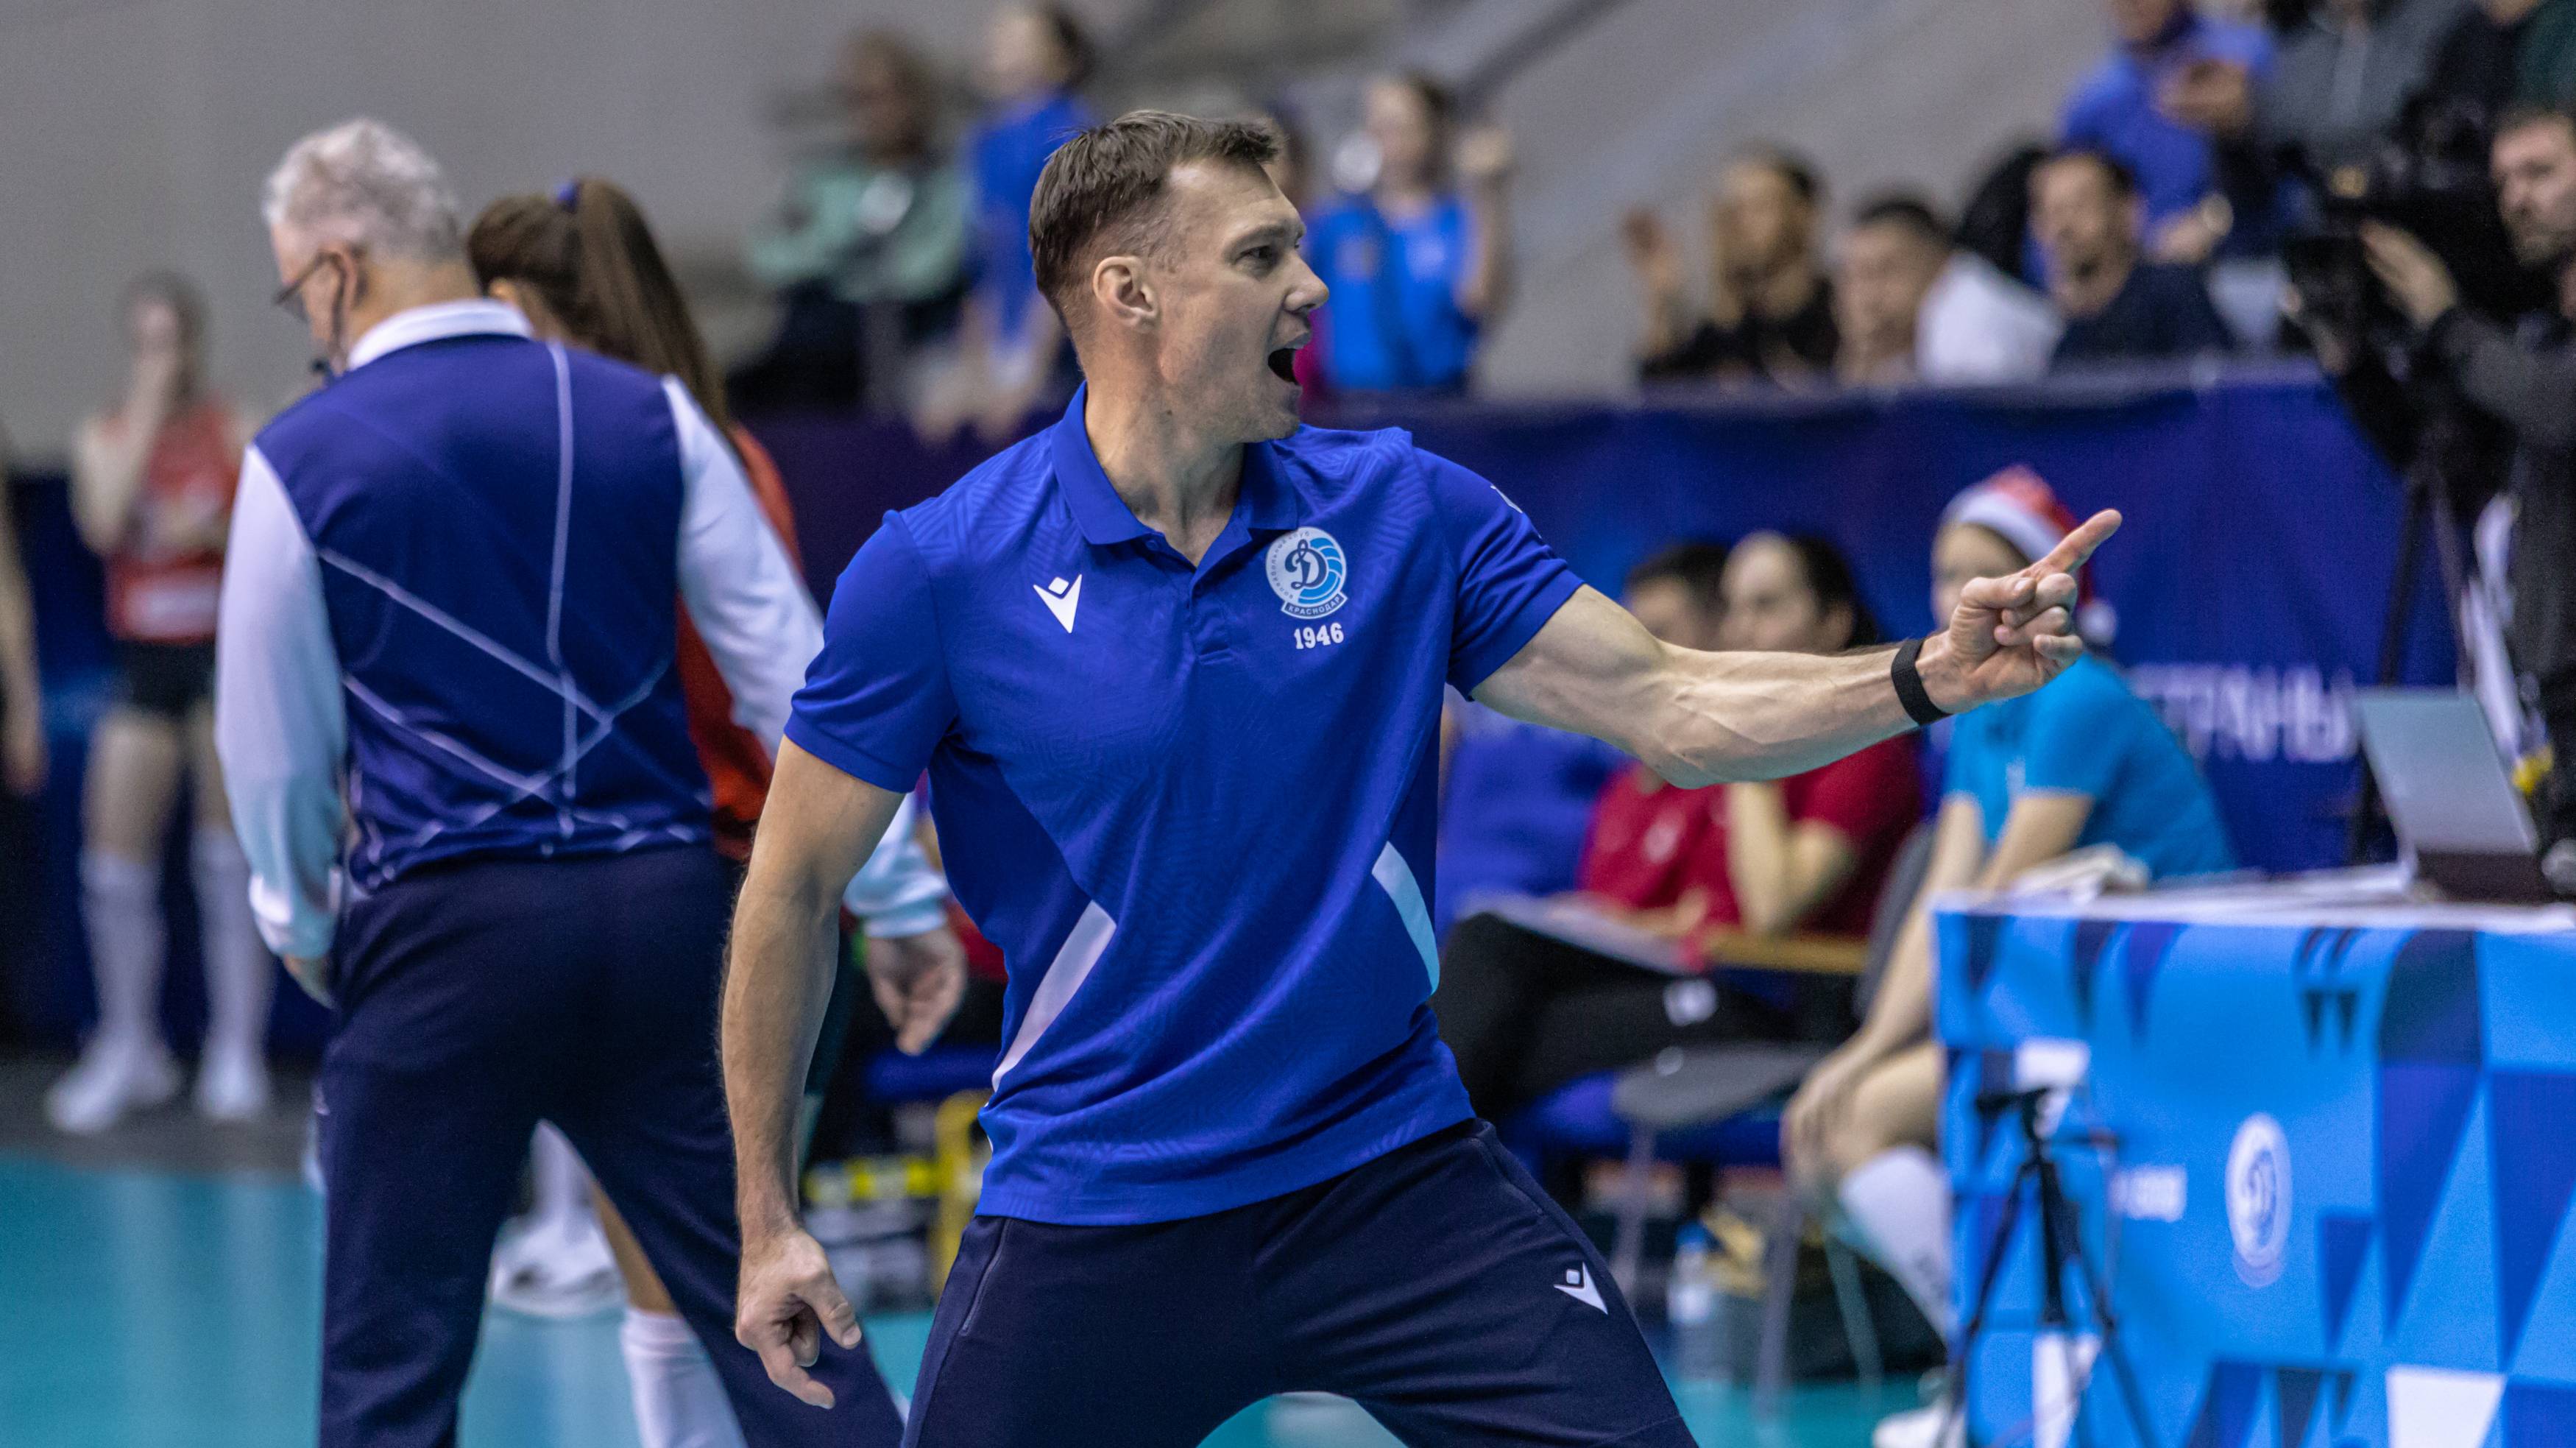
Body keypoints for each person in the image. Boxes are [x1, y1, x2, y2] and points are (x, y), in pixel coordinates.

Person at [718, 110, 2120, 1447]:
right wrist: (767, 1212)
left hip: (1389, 1174)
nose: (1312, 287)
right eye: (1261, 255)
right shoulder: (943, 567)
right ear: (1129, 294)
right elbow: (790, 883)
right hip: (1097, 1199)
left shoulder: (1401, 507)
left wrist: (1925, 674)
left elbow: (1671, 699)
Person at [221, 118, 955, 1448]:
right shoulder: (651, 415)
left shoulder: (298, 458)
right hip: (663, 924)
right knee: (782, 1317)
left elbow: (273, 752)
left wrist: (307, 929)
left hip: (439, 941)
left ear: (337, 270)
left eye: (294, 293)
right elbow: (803, 680)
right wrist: (899, 897)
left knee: (389, 1379)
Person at [468, 174, 955, 1445]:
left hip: (734, 907)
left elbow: (802, 695)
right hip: (692, 904)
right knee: (675, 1262)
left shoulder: (655, 463)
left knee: (739, 1260)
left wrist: (896, 893)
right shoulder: (685, 451)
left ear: (527, 307)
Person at [1781, 469, 2230, 1448]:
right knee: (1826, 1127)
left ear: (2050, 589)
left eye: (1988, 573)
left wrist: (1865, 1067)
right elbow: (1945, 904)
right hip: (2052, 1008)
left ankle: (2006, 1375)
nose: (1962, 595)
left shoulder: (2079, 699)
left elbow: (1993, 893)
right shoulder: (1980, 713)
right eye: (1947, 574)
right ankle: (1999, 1373)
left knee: (1857, 1120)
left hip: (2163, 1016)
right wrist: (1860, 1049)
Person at [1435, 534, 1923, 1123]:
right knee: (1498, 1000)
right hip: (1700, 979)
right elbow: (1676, 908)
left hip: (1779, 1004)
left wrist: (1748, 749)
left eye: (1766, 606)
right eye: (1733, 608)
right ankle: (1416, 1152)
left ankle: (1407, 1151)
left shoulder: (1867, 753)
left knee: (1496, 1009)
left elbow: (1770, 910)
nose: (1740, 630)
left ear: (1834, 621)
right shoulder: (1667, 778)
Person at [47, 273, 272, 1134]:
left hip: (219, 657)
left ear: (194, 344)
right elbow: (102, 523)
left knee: (228, 856)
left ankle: (236, 1046)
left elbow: (272, 540)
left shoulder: (235, 427)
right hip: (141, 660)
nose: (160, 359)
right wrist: (143, 410)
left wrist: (209, 532)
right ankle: (127, 1041)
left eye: (171, 342)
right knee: (113, 858)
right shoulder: (104, 433)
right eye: (145, 343)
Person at [2359, 105, 2576, 880]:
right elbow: (2444, 468)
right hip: (2553, 696)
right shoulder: (2535, 337)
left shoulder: (2526, 363)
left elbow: (2560, 411)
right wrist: (2350, 360)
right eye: (2503, 181)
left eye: (2540, 172)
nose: (2516, 198)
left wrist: (2446, 318)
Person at [730, 29, 969, 415]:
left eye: (883, 96)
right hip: (814, 334)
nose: (870, 112)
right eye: (856, 99)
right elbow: (767, 256)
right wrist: (842, 250)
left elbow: (929, 269)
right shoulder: (822, 180)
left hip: (899, 335)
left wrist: (836, 257)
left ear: (914, 99)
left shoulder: (944, 180)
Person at [920, 4, 1096, 444]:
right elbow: (984, 261)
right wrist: (974, 368)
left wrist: (1032, 371)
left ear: (1060, 59)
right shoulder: (984, 141)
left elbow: (1069, 260)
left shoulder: (1071, 132)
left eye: (1017, 38)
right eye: (996, 35)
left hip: (1061, 345)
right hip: (1003, 337)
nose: (996, 46)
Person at [1305, 71, 1516, 393]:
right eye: (1377, 129)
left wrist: (1488, 193)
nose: (1388, 144)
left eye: (1401, 129)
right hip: (1349, 404)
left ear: (1435, 133)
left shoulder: (1457, 219)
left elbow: (1480, 301)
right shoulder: (1338, 222)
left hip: (1437, 400)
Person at [2059, 0, 2280, 262]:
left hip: (2259, 256)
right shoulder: (2092, 107)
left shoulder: (2247, 56)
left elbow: (2297, 181)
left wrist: (2214, 219)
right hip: (2148, 271)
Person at [1627, 147, 1838, 385]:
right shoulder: (1723, 335)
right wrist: (1662, 300)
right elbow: (1658, 397)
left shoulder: (1841, 311)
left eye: (1759, 207)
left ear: (1803, 214)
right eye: (1731, 211)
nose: (1739, 223)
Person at [2033, 148, 2237, 367]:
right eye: (2051, 212)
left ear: (2127, 210)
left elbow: (2214, 378)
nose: (2063, 227)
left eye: (2079, 206)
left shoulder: (2173, 294)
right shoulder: (2066, 342)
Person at [1836, 195, 2061, 386]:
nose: (1868, 296)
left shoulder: (1972, 324)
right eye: (1854, 276)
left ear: (1937, 259)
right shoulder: (1933, 318)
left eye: (1886, 271)